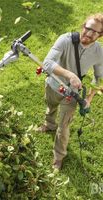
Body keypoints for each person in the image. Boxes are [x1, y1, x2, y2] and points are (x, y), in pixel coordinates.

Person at [37, 13, 103, 170]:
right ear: (83, 26)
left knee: (64, 127)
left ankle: (58, 157)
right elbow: (47, 63)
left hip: (72, 94)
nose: (89, 34)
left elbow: (98, 78)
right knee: (50, 107)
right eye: (88, 29)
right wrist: (69, 74)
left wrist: (89, 98)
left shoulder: (99, 52)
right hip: (53, 85)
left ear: (100, 35)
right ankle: (49, 124)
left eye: (95, 32)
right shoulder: (65, 39)